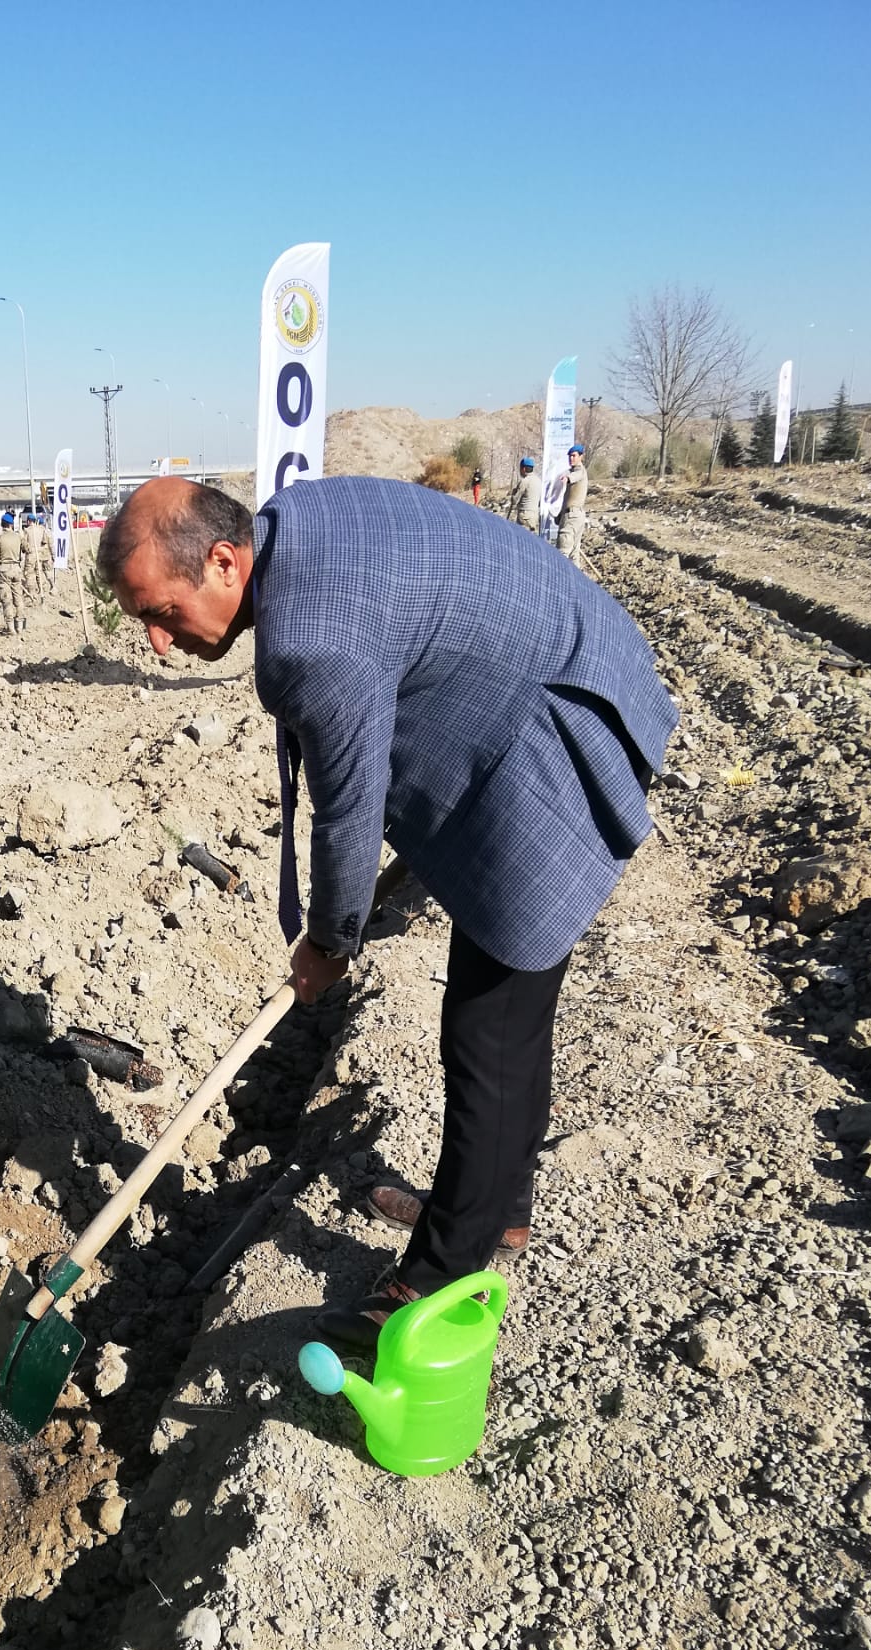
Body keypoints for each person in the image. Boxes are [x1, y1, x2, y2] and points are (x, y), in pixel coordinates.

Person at [97, 476, 677, 1349]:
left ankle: (442, 1273)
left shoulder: (308, 641)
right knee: (503, 1018)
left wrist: (330, 942)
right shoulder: (292, 526)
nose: (158, 642)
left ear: (224, 560)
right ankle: (495, 1210)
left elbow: (348, 813)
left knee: (492, 1028)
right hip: (533, 684)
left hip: (554, 723)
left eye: (164, 611)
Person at [0, 510, 26, 636]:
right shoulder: (18, 536)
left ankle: (11, 628)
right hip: (16, 569)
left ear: (2, 524)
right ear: (11, 524)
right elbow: (27, 549)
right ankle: (20, 626)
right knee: (18, 598)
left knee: (7, 599)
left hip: (4, 570)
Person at [556, 443, 588, 561]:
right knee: (574, 555)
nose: (571, 458)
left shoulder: (579, 471)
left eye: (574, 456)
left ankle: (560, 579)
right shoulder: (573, 471)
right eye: (570, 456)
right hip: (574, 515)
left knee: (562, 552)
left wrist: (567, 478)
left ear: (581, 456)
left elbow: (575, 475)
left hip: (572, 517)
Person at [506, 455, 541, 531]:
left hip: (525, 515)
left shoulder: (525, 481)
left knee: (523, 538)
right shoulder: (538, 481)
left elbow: (515, 500)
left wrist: (513, 494)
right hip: (534, 515)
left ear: (523, 469)